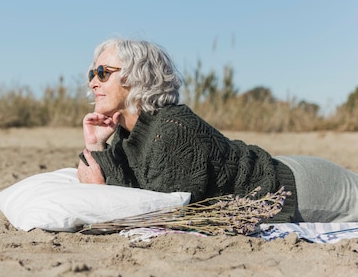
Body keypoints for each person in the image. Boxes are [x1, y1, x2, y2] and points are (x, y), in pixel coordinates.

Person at [77, 38, 358, 223]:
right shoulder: (128, 134)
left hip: (299, 189)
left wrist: (100, 187)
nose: (93, 83)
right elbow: (112, 184)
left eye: (103, 72)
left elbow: (158, 216)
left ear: (138, 75)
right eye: (92, 74)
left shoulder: (171, 128)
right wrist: (97, 144)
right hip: (281, 169)